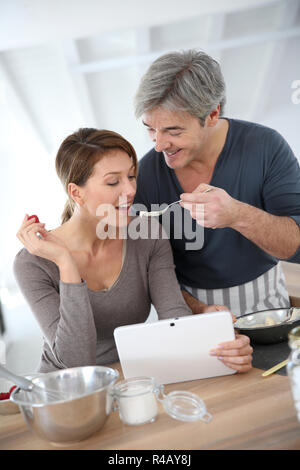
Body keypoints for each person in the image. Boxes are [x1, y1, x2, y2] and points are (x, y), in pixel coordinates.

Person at [14, 128, 252, 373]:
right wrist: (66, 264)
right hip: (66, 394)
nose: (130, 191)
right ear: (76, 193)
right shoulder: (33, 263)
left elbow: (175, 318)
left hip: (130, 377)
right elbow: (76, 362)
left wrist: (220, 346)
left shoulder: (146, 234)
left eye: (131, 176)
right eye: (113, 181)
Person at [133, 49, 300, 318]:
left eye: (174, 131)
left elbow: (297, 247)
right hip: (192, 316)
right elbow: (149, 268)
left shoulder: (267, 147)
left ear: (212, 115)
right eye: (151, 129)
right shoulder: (146, 175)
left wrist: (237, 215)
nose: (159, 145)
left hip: (270, 308)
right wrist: (199, 310)